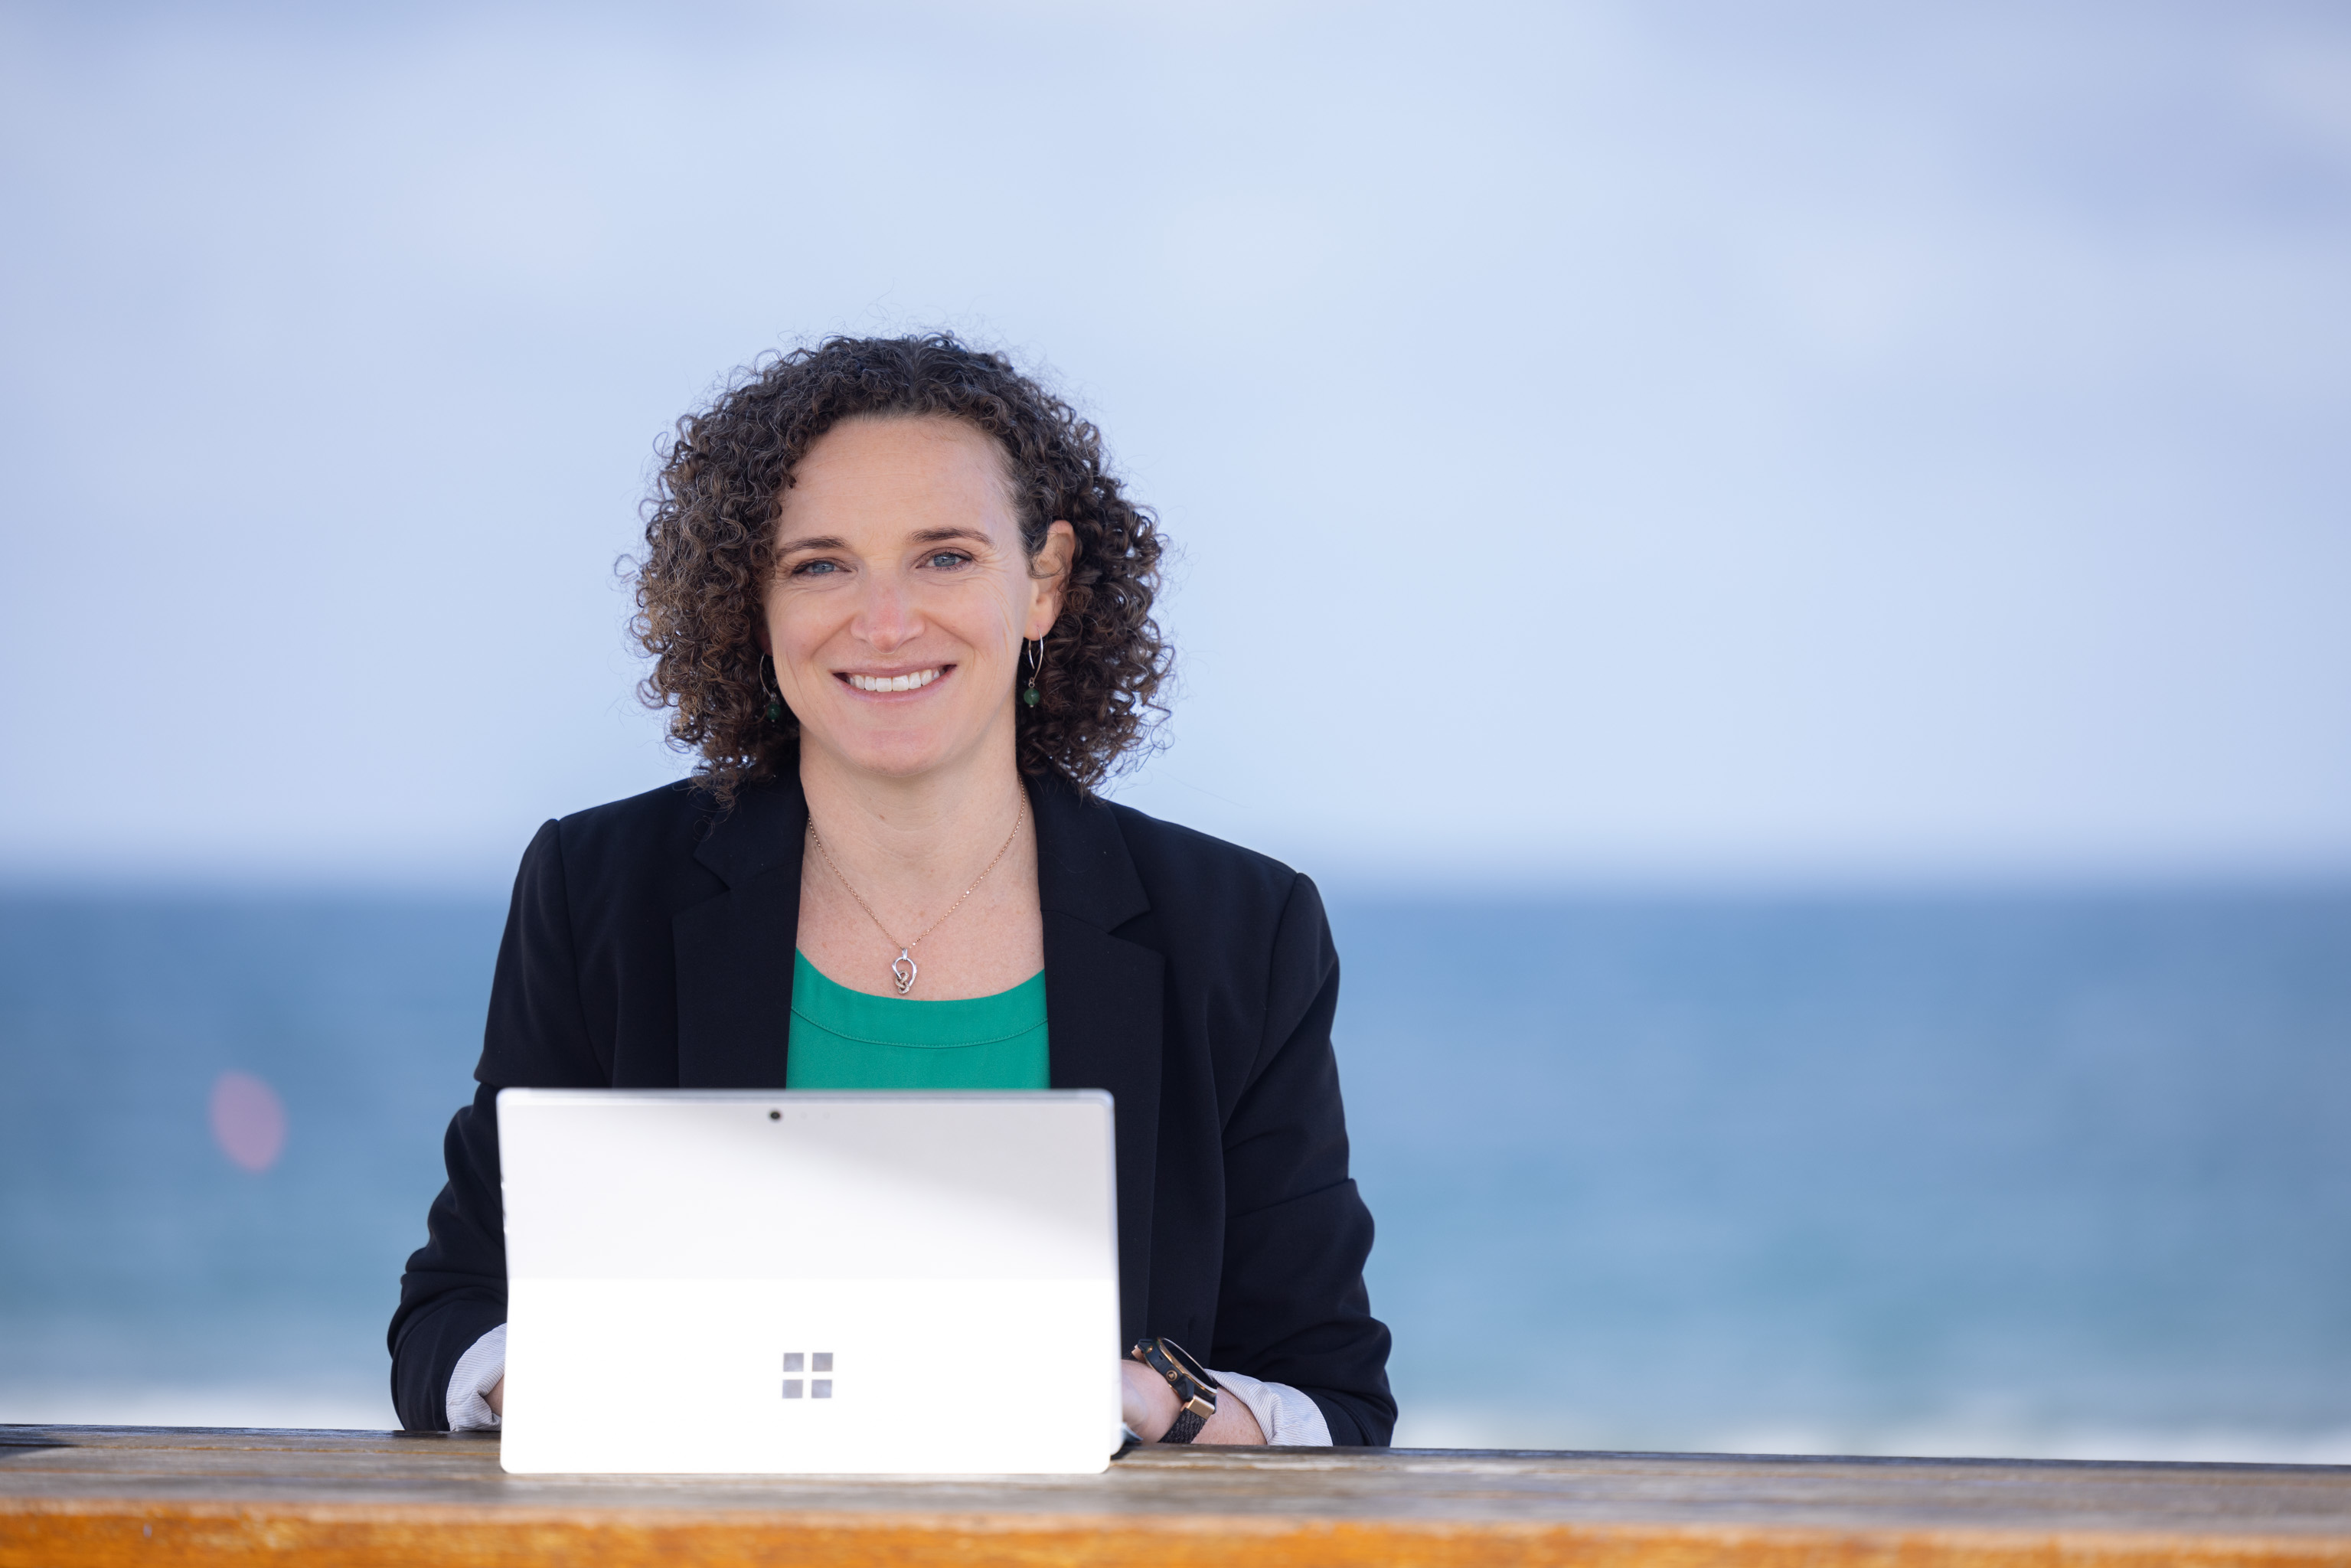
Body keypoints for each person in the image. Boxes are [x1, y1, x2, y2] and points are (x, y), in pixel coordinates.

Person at [387, 334, 1394, 1446]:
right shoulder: (599, 890)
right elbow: (453, 1319)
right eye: (821, 564)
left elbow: (1333, 1397)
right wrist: (590, 1377)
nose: (885, 623)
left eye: (945, 557)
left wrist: (1161, 1400)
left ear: (1044, 582)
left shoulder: (1243, 932)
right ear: (753, 601)